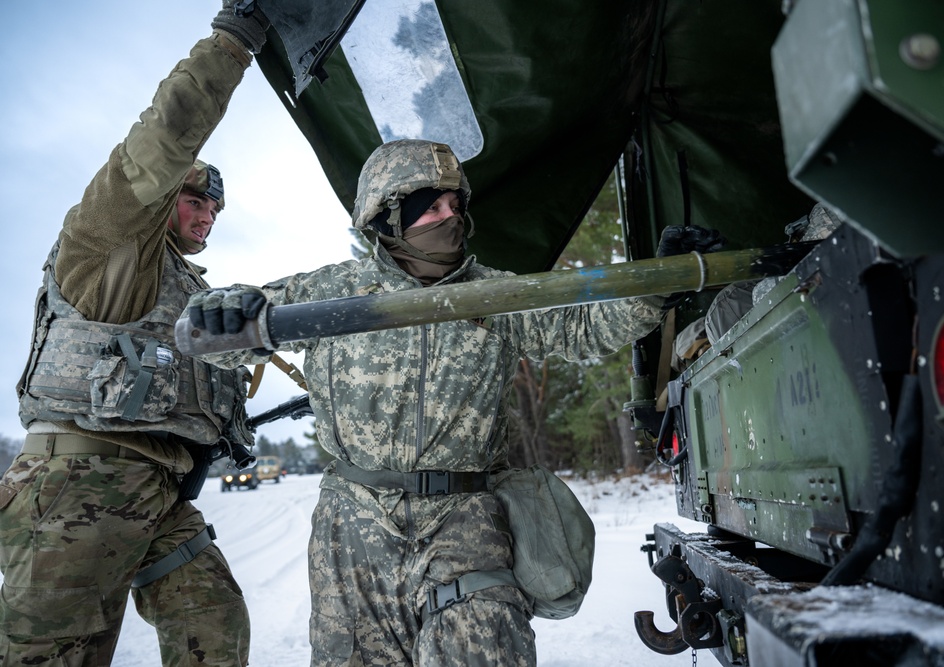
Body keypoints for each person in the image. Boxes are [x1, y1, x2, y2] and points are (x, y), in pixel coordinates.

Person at [185, 139, 723, 666]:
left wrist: (657, 284)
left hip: (464, 517)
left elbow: (580, 327)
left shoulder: (494, 294)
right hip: (353, 525)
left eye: (455, 204)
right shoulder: (331, 294)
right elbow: (226, 334)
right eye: (432, 207)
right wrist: (223, 311)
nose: (451, 216)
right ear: (389, 217)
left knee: (484, 647)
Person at [0, 3, 269, 666]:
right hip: (77, 483)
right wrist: (238, 39)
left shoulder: (189, 291)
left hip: (157, 494)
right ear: (161, 199)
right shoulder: (111, 242)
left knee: (212, 617)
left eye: (213, 206)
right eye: (193, 199)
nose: (205, 215)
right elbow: (166, 137)